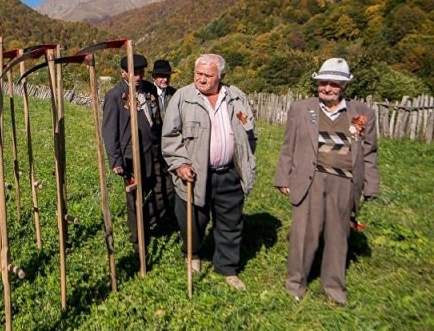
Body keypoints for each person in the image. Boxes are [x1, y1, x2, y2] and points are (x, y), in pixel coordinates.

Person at [274, 58, 379, 305]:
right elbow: (288, 146)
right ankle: (295, 285)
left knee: (338, 236)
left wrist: (371, 185)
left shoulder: (363, 113)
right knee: (304, 234)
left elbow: (370, 152)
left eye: (333, 84)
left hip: (344, 182)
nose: (327, 88)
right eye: (323, 83)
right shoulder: (301, 109)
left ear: (344, 86)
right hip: (310, 179)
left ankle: (334, 287)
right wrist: (283, 177)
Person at [162, 53, 256, 290]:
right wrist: (180, 164)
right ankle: (193, 254)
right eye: (198, 74)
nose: (201, 79)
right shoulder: (183, 98)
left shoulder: (236, 97)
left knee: (230, 222)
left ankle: (227, 267)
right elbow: (170, 136)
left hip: (229, 172)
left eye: (208, 75)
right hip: (194, 174)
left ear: (221, 76)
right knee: (192, 219)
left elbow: (249, 131)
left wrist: (244, 159)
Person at [102, 54, 160, 252]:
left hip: (152, 151)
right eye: (134, 73)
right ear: (123, 73)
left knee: (161, 188)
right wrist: (116, 159)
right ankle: (138, 241)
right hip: (130, 155)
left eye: (141, 72)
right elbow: (110, 130)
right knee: (135, 197)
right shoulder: (115, 96)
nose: (138, 76)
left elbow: (156, 117)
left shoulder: (149, 89)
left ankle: (149, 220)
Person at [150, 59, 177, 233]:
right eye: (161, 76)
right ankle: (147, 219)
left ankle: (166, 217)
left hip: (171, 146)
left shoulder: (175, 94)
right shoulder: (147, 93)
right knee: (159, 185)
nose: (164, 79)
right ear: (154, 77)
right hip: (153, 147)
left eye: (167, 76)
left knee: (171, 185)